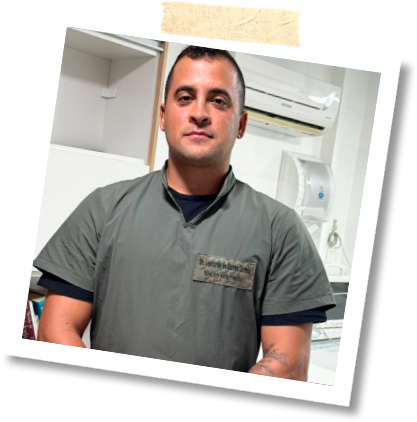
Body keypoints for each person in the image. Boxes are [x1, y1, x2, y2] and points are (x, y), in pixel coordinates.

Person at [34, 45, 336, 386]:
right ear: (163, 116)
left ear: (241, 123)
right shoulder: (103, 209)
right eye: (185, 97)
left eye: (218, 101)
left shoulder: (279, 229)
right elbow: (55, 332)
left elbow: (289, 364)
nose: (200, 113)